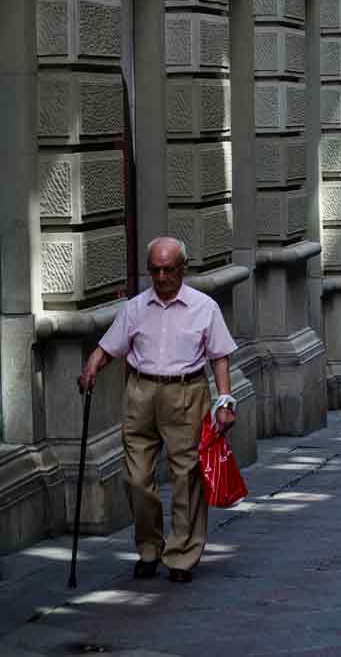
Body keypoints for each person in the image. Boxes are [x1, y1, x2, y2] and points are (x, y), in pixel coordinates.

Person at [77, 237, 238, 584]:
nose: (161, 277)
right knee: (136, 478)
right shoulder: (136, 307)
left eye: (168, 269)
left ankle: (181, 555)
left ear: (183, 268)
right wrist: (92, 366)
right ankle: (149, 547)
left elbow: (220, 357)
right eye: (155, 270)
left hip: (187, 390)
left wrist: (225, 401)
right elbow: (109, 345)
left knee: (187, 476)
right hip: (141, 390)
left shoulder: (204, 307)